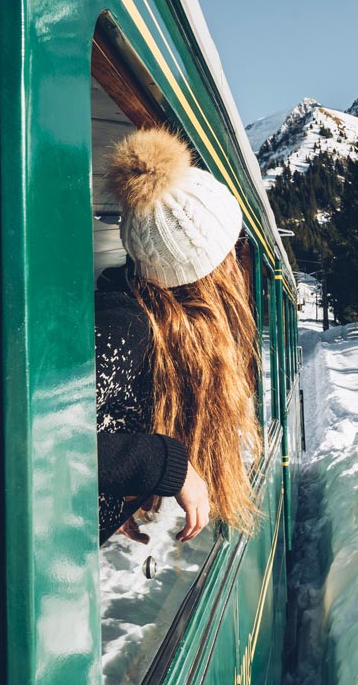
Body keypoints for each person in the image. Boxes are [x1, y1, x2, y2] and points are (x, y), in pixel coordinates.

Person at [96, 127, 261, 546]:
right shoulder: (124, 324)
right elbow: (39, 436)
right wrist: (163, 463)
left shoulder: (151, 322)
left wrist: (107, 499)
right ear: (208, 268)